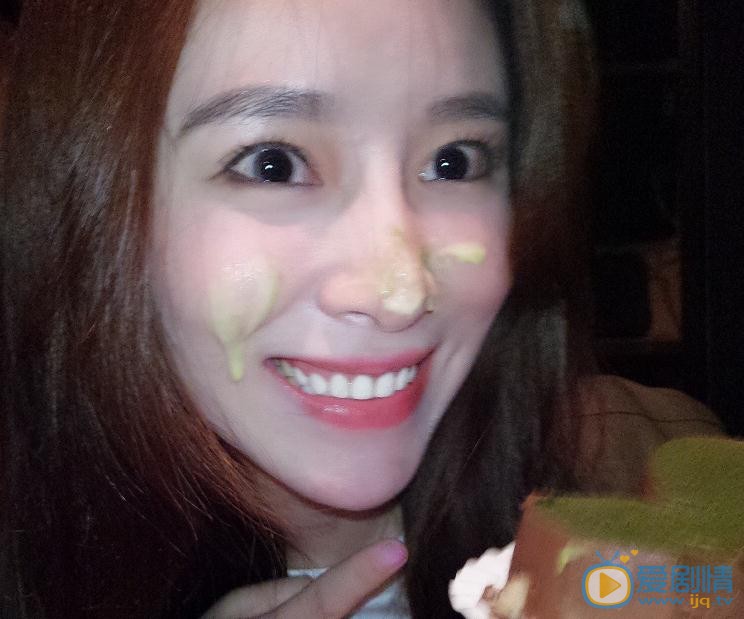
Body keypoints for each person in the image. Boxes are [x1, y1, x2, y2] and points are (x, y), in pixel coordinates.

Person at [4, 1, 717, 618]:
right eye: (274, 164)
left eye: (455, 160)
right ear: (89, 205)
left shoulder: (657, 478)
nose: (398, 292)